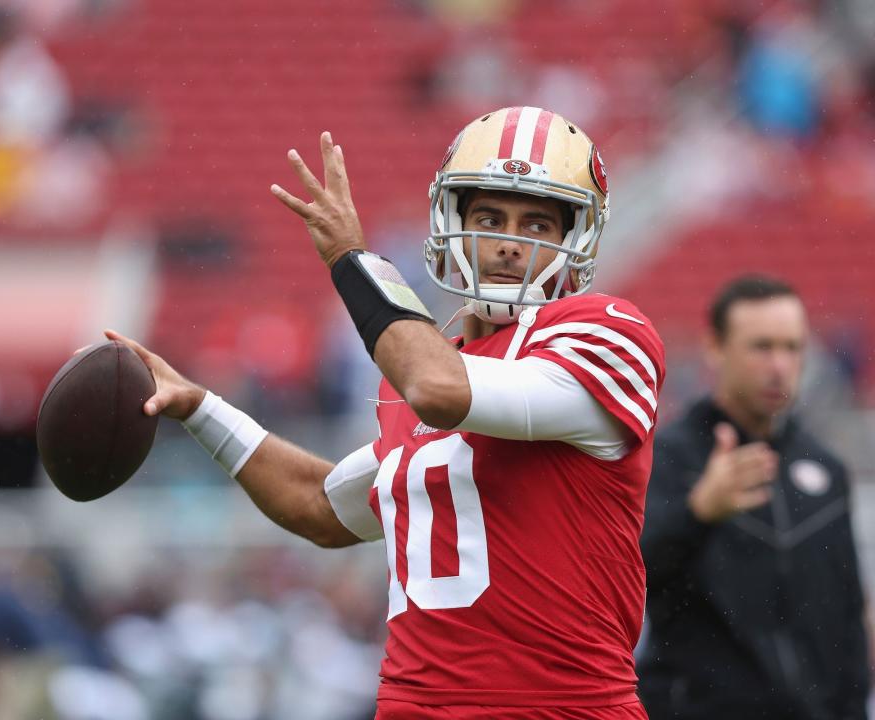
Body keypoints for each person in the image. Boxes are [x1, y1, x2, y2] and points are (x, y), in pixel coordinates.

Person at [108, 107, 665, 719]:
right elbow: (321, 505)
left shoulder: (606, 333)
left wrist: (353, 260)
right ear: (453, 225)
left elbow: (439, 387)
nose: (509, 240)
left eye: (536, 222)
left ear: (574, 239)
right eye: (488, 218)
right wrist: (199, 405)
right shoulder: (419, 373)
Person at [638, 275, 870, 720]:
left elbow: (846, 621)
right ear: (715, 347)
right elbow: (626, 579)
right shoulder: (666, 456)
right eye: (761, 347)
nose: (779, 365)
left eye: (791, 347)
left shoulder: (825, 469)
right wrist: (698, 512)